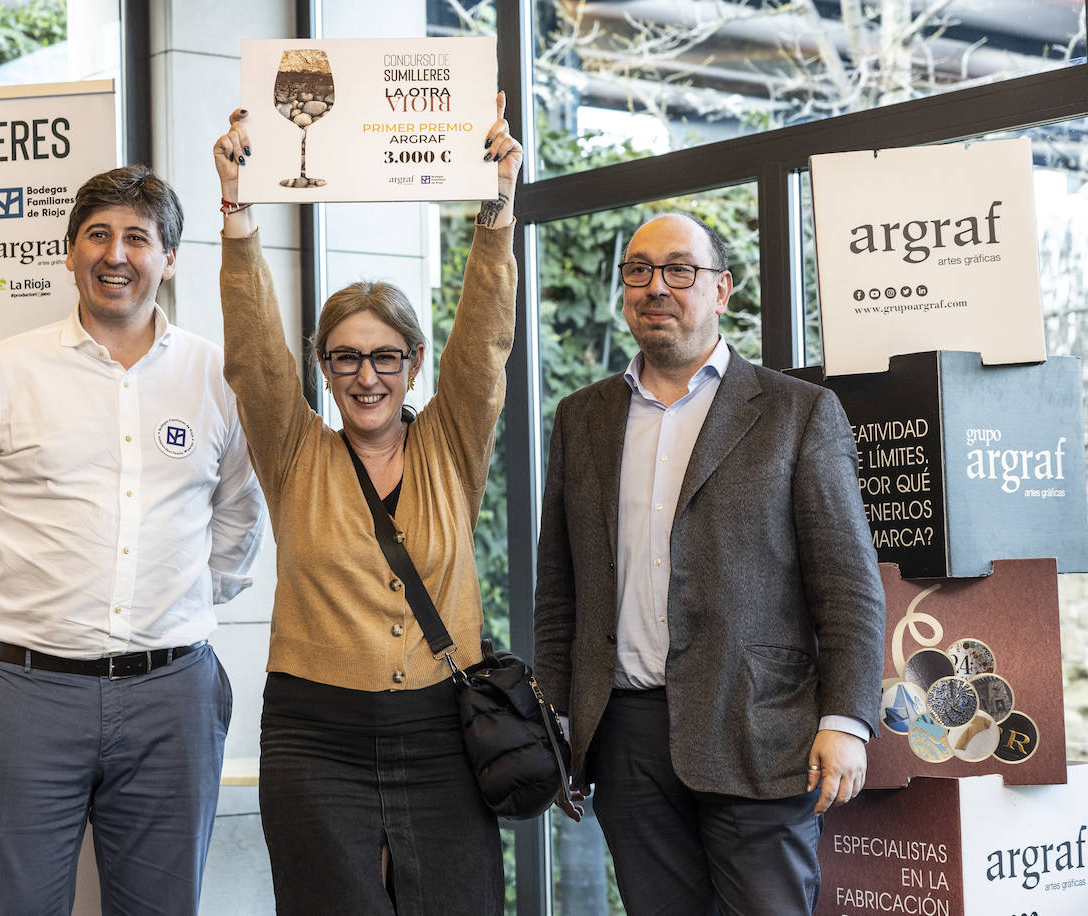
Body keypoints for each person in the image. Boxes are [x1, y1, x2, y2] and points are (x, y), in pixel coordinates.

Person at [0, 165, 267, 916]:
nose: (116, 255)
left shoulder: (217, 379)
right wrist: (29, 616)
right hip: (24, 697)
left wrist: (177, 608)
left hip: (173, 698)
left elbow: (240, 519)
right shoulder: (1, 374)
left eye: (138, 238)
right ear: (69, 252)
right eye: (98, 235)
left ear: (169, 257)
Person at [211, 95, 521, 915]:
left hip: (442, 733)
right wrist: (237, 212)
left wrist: (496, 211)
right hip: (316, 737)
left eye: (386, 356)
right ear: (321, 365)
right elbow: (251, 356)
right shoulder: (294, 449)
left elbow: (484, 347)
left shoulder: (451, 445)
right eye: (344, 357)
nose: (366, 375)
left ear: (415, 363)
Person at [533, 212, 885, 914]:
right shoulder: (582, 418)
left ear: (721, 290)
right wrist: (560, 723)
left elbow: (848, 588)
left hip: (758, 728)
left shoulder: (797, 413)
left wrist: (845, 721)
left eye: (678, 270)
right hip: (626, 735)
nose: (655, 286)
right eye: (638, 270)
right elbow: (559, 593)